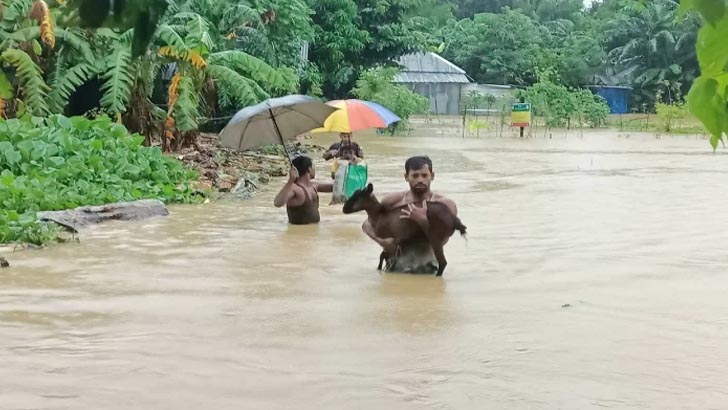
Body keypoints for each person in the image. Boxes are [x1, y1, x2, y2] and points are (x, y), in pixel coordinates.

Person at [361, 156, 458, 273]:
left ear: (432, 176)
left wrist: (423, 220)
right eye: (415, 175)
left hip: (428, 265)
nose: (420, 180)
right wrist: (383, 242)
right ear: (406, 177)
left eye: (424, 175)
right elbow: (368, 224)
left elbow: (444, 238)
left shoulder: (444, 205)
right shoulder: (392, 201)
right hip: (396, 264)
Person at [273, 155, 333, 225]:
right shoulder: (294, 188)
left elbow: (335, 188)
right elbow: (277, 203)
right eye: (313, 167)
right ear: (309, 169)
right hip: (297, 234)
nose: (314, 170)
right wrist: (290, 181)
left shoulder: (314, 186)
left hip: (313, 232)